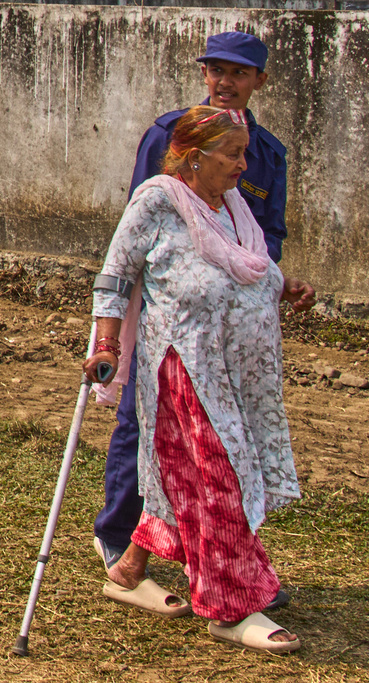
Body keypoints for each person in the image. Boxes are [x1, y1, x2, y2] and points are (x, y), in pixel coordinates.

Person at [83, 106, 315, 653]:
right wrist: (106, 343)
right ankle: (232, 607)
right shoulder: (159, 199)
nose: (242, 165)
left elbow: (244, 265)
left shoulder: (233, 205)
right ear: (192, 157)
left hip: (239, 372)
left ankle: (130, 567)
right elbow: (115, 275)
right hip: (184, 365)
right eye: (232, 154)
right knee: (222, 475)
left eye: (243, 152)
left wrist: (283, 287)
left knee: (186, 475)